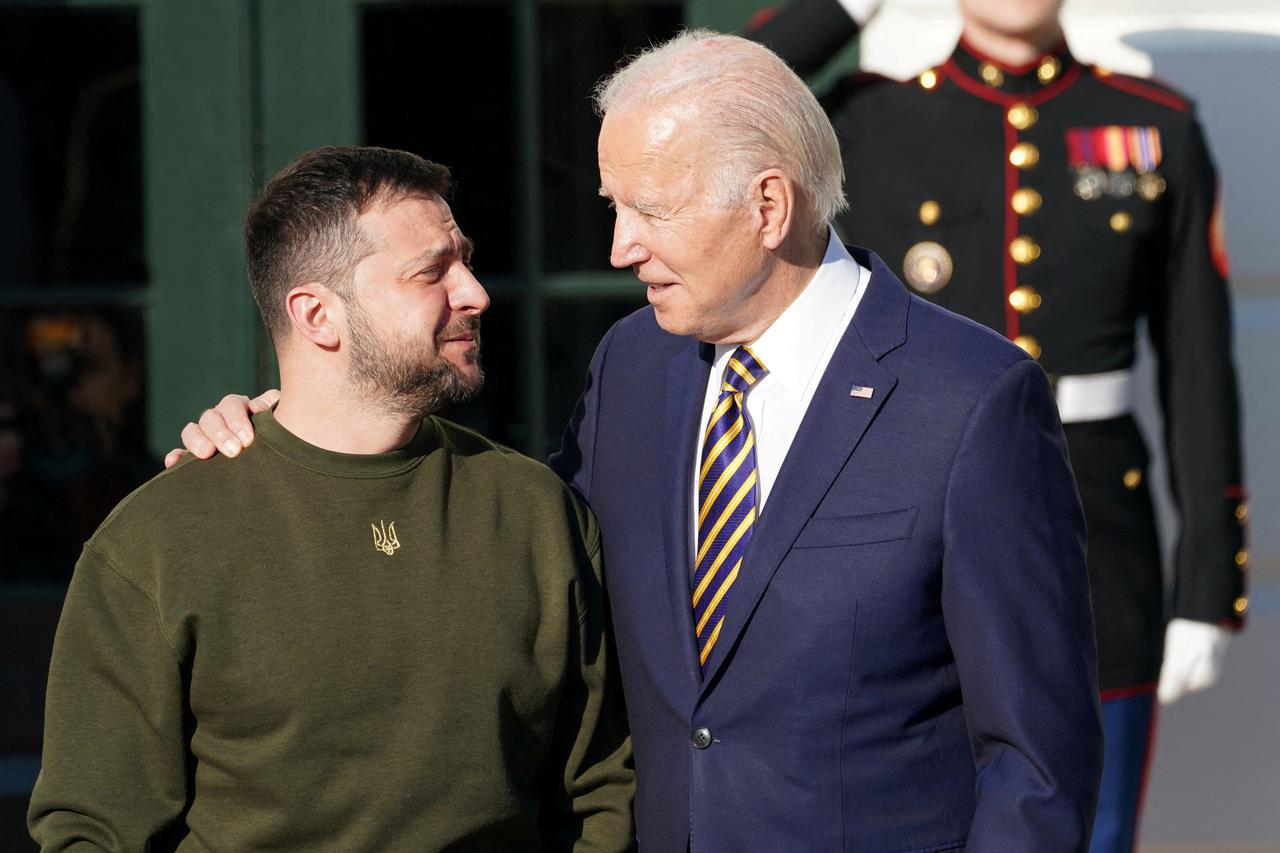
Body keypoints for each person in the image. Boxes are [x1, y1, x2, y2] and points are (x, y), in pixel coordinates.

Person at [173, 33, 1101, 851]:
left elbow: (1037, 762)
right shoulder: (636, 363)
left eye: (649, 211)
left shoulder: (969, 401)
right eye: (616, 206)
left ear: (768, 208)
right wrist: (298, 443)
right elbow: (508, 555)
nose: (620, 247)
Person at [29, 146, 635, 852]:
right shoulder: (157, 541)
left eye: (463, 260)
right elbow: (92, 829)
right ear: (318, 315)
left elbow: (601, 790)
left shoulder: (535, 512)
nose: (474, 292)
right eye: (432, 271)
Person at [748, 1, 1249, 849]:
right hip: (906, 546)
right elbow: (731, 88)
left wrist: (1208, 585)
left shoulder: (1151, 126)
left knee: (1092, 827)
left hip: (1096, 550)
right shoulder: (871, 119)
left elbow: (1199, 369)